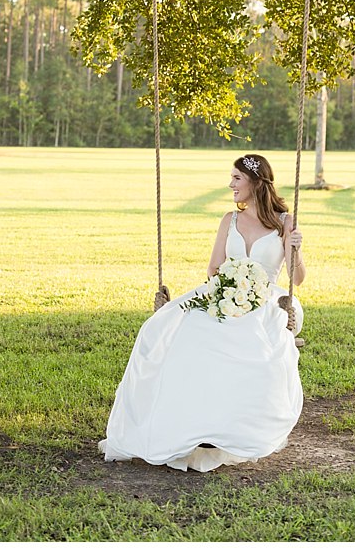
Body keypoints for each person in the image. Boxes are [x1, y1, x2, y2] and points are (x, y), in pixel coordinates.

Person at [99, 153, 306, 471]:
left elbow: (298, 279)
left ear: (254, 181)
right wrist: (229, 290)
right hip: (224, 293)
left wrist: (295, 249)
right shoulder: (229, 220)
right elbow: (213, 267)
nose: (230, 184)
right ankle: (192, 423)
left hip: (268, 299)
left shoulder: (284, 222)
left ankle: (235, 424)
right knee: (183, 326)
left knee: (253, 337)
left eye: (236, 178)